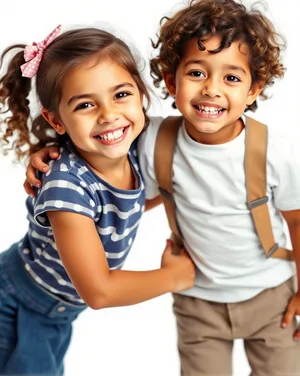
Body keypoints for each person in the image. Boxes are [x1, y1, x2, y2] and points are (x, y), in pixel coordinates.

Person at [25, 1, 300, 375]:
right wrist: (48, 155)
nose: (212, 90)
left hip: (271, 296)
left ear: (255, 88)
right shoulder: (152, 137)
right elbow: (102, 151)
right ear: (171, 81)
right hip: (198, 301)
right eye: (197, 72)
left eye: (232, 78)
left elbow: (296, 221)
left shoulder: (276, 152)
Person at [0, 25, 195, 374]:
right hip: (18, 306)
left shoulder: (131, 147)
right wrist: (174, 277)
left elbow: (124, 205)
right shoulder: (66, 190)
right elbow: (100, 291)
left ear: (140, 94)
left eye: (121, 95)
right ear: (56, 120)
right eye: (86, 104)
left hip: (53, 310)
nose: (108, 114)